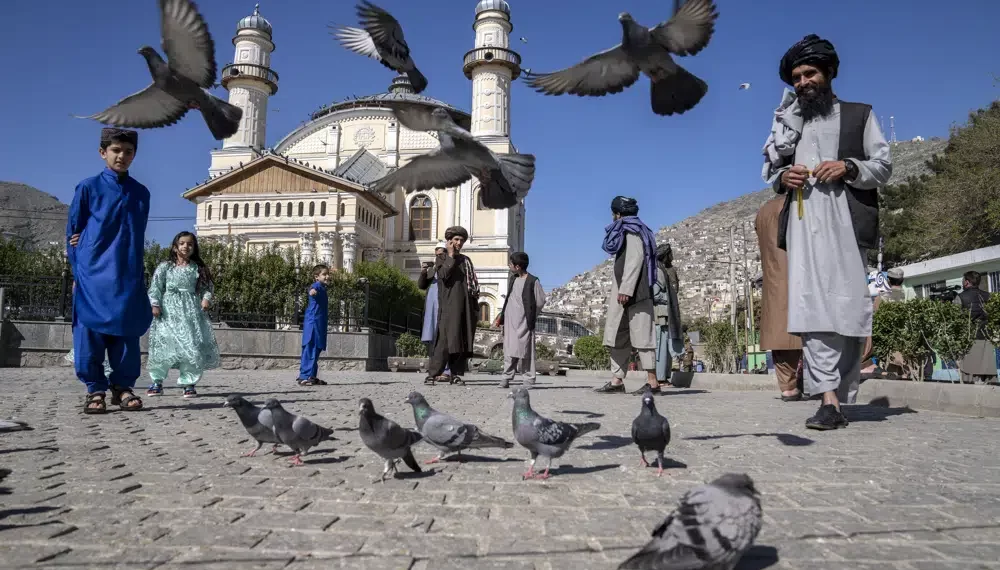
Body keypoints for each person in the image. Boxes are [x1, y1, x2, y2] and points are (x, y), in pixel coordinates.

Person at [762, 35, 892, 430]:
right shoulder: (787, 124)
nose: (803, 82)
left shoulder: (859, 115)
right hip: (803, 225)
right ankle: (828, 401)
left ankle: (841, 394)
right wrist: (786, 176)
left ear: (829, 72)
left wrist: (849, 167)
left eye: (809, 73)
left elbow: (883, 165)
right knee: (813, 310)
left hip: (847, 224)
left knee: (849, 310)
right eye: (797, 76)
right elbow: (770, 174)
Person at [67, 128, 153, 414]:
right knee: (90, 332)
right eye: (116, 150)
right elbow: (74, 233)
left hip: (127, 273)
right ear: (103, 152)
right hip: (93, 275)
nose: (122, 156)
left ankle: (122, 386)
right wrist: (79, 270)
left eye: (128, 152)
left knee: (127, 332)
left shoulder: (141, 193)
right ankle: (95, 389)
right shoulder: (88, 188)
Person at [145, 231, 221, 398]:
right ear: (174, 247)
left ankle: (188, 383)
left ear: (194, 248)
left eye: (190, 244)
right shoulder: (165, 267)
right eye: (182, 243)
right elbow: (155, 287)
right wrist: (155, 304)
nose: (186, 246)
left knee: (191, 346)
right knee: (163, 346)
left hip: (190, 313)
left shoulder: (197, 268)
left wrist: (206, 299)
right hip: (168, 312)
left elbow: (208, 288)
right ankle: (157, 382)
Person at [595, 196, 658, 395]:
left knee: (642, 337)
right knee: (618, 336)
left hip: (635, 293)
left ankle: (653, 382)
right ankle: (617, 380)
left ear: (618, 214)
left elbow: (635, 259)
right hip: (624, 293)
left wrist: (626, 289)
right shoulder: (629, 229)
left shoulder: (632, 230)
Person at [755, 195, 804, 401]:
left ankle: (787, 387)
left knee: (779, 331)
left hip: (773, 277)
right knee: (803, 331)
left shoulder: (763, 211)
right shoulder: (799, 201)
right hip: (798, 274)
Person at [424, 226, 479, 385]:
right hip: (448, 305)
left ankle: (455, 373)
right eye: (456, 240)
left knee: (461, 339)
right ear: (449, 241)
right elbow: (444, 275)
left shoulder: (465, 260)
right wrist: (450, 255)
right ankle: (433, 373)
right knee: (445, 340)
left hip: (465, 306)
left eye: (461, 240)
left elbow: (472, 284)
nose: (459, 243)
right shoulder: (442, 258)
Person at [494, 251, 547, 389]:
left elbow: (540, 301)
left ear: (517, 266)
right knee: (509, 351)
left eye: (511, 264)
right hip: (510, 322)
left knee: (526, 351)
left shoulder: (533, 281)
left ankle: (528, 380)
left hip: (525, 323)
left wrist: (530, 315)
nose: (509, 266)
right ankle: (506, 378)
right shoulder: (513, 279)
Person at [954, 271, 998, 384]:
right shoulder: (988, 296)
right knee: (988, 378)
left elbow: (954, 321)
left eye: (963, 280)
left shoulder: (960, 298)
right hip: (986, 340)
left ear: (967, 282)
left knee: (969, 378)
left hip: (969, 341)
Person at [418, 242, 450, 381]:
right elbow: (421, 285)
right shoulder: (434, 269)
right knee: (433, 340)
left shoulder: (449, 267)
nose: (438, 256)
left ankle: (446, 371)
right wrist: (424, 271)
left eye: (441, 254)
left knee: (444, 339)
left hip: (444, 308)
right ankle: (435, 370)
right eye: (436, 254)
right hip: (431, 309)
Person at [652, 243, 684, 387]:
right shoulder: (657, 271)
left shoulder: (665, 270)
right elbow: (655, 293)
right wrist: (667, 298)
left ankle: (664, 375)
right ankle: (660, 377)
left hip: (667, 314)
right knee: (660, 347)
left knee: (666, 345)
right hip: (661, 314)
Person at [297, 264, 330, 386]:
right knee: (310, 348)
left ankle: (312, 376)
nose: (327, 276)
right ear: (317, 277)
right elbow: (312, 289)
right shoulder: (317, 286)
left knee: (316, 349)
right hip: (313, 324)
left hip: (319, 323)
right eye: (324, 274)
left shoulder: (322, 287)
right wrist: (312, 291)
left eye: (327, 274)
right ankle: (304, 376)